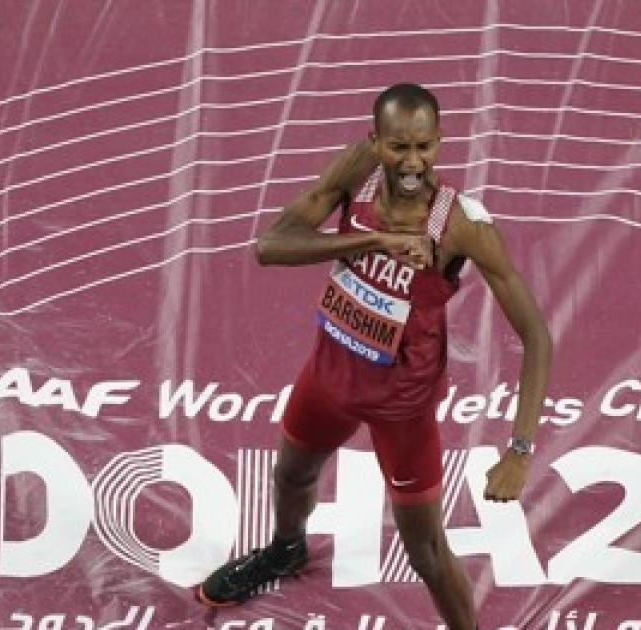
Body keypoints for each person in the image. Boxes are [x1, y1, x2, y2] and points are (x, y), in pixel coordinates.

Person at [195, 83, 552, 630]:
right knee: (290, 477)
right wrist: (372, 242)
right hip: (330, 377)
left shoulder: (462, 225)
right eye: (398, 147)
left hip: (401, 407)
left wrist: (520, 451)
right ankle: (286, 551)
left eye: (424, 147)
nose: (412, 163)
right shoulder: (355, 175)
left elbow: (536, 337)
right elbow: (272, 246)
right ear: (375, 142)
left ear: (439, 142)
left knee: (425, 552)